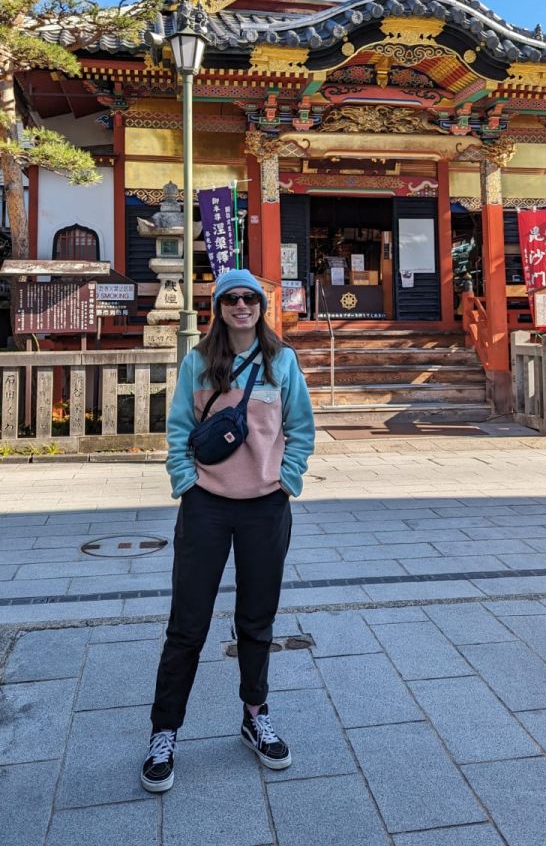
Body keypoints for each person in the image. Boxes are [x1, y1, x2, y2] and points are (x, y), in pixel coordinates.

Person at [141, 269, 315, 793]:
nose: (242, 306)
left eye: (251, 299)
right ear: (218, 307)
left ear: (262, 306)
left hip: (265, 508)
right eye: (231, 299)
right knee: (186, 624)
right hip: (206, 507)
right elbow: (176, 428)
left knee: (257, 619)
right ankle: (164, 731)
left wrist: (286, 480)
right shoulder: (198, 362)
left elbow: (301, 428)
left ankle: (254, 715)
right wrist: (185, 483)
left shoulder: (280, 361)